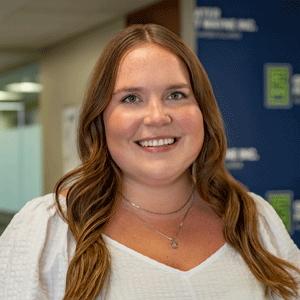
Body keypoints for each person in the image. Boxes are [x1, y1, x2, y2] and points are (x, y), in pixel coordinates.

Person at [0, 24, 300, 300]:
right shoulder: (51, 229)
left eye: (176, 94)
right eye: (131, 98)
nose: (157, 117)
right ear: (100, 119)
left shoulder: (254, 219)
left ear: (203, 112)